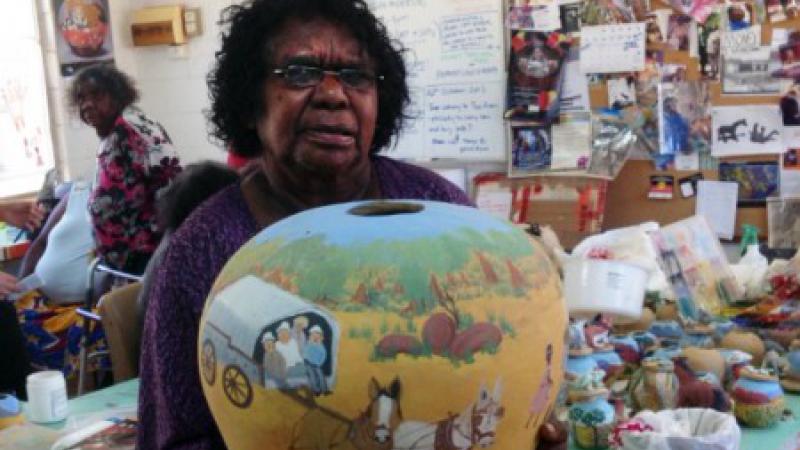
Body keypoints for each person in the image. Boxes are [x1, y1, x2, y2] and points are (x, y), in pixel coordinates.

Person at [137, 1, 563, 449]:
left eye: (356, 76)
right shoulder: (202, 250)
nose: (333, 94)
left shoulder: (437, 205)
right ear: (249, 102)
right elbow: (174, 436)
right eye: (300, 72)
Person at [67, 65, 182, 274]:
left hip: (148, 255)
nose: (87, 105)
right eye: (82, 98)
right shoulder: (112, 133)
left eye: (97, 95)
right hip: (127, 258)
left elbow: (170, 182)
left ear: (117, 95)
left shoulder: (131, 127)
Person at [303, 325, 328, 395]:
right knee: (312, 376)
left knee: (320, 375)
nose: (315, 336)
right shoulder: (308, 344)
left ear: (320, 336)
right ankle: (316, 390)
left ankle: (324, 390)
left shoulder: (320, 345)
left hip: (317, 364)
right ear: (311, 335)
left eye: (317, 334)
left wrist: (319, 363)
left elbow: (323, 355)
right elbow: (305, 353)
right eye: (314, 334)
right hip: (308, 363)